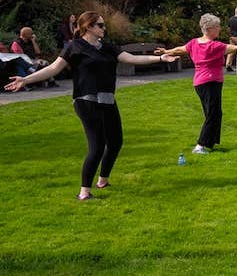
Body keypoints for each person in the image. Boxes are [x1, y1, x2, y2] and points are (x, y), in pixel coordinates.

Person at [5, 12, 178, 200]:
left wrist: (161, 59)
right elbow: (53, 69)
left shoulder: (108, 47)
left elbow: (132, 58)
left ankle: (103, 180)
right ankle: (84, 192)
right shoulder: (75, 47)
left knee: (115, 142)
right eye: (101, 26)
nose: (104, 29)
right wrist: (25, 80)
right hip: (85, 100)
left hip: (107, 99)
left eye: (104, 26)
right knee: (97, 146)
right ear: (88, 27)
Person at [157, 14, 237, 155]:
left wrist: (166, 51)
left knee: (214, 113)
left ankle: (210, 143)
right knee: (213, 115)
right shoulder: (214, 46)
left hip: (200, 83)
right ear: (209, 29)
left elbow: (180, 49)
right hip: (210, 83)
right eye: (217, 27)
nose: (220, 29)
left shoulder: (194, 43)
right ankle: (200, 145)